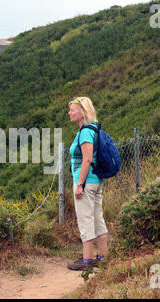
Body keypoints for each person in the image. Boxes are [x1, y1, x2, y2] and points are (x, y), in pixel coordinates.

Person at [66, 96, 108, 271]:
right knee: (98, 217)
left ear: (82, 112)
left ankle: (87, 260)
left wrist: (79, 184)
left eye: (72, 110)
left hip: (86, 181)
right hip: (96, 180)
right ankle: (103, 256)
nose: (69, 113)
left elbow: (87, 159)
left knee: (86, 220)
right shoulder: (93, 129)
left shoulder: (85, 132)